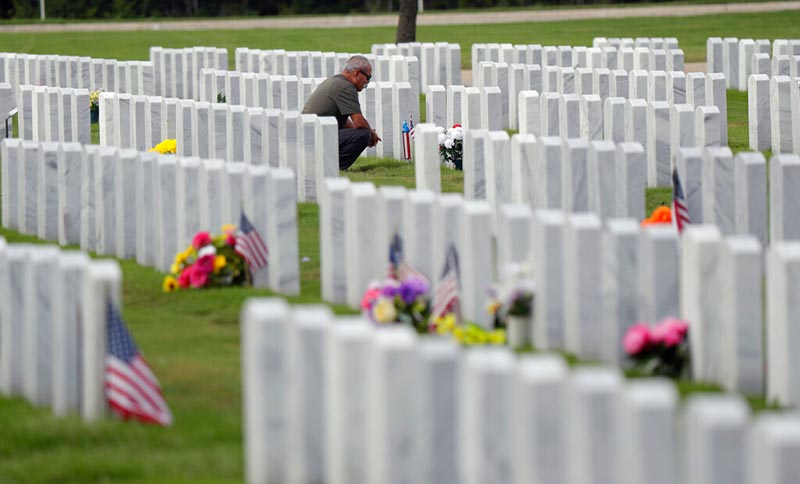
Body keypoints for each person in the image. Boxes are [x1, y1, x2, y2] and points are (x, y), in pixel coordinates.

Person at [302, 55, 381, 170]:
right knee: (364, 135)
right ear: (357, 73)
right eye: (368, 77)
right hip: (314, 138)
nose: (368, 82)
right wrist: (371, 134)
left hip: (309, 135)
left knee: (361, 132)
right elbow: (359, 122)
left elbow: (343, 122)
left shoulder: (335, 81)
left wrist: (363, 130)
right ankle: (334, 168)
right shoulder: (346, 87)